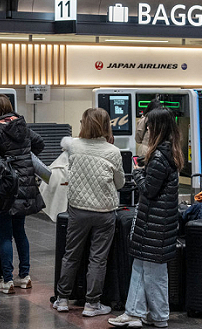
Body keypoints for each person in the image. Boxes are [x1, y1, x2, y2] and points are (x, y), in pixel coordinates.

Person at [109, 108, 183, 328]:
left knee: (151, 272)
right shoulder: (170, 151)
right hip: (159, 222)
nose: (147, 129)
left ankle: (158, 315)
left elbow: (149, 190)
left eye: (150, 125)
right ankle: (136, 311)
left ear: (157, 127)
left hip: (154, 223)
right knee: (143, 268)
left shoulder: (159, 156)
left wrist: (138, 172)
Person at [53, 108, 125, 316]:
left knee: (71, 255)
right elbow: (119, 184)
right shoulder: (113, 152)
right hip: (104, 211)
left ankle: (63, 299)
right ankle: (92, 304)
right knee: (98, 259)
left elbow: (67, 147)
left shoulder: (74, 147)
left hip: (78, 209)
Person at [0, 95, 45, 294]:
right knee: (20, 232)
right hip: (25, 185)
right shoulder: (21, 124)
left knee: (4, 235)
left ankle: (7, 280)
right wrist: (24, 157)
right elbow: (40, 143)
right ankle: (25, 276)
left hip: (5, 186)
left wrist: (4, 163)